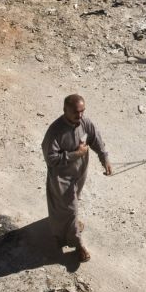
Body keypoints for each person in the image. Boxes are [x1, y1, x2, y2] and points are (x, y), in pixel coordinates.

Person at [42, 94, 111, 262]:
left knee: (68, 207)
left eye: (82, 111)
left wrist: (105, 158)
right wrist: (76, 154)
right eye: (75, 112)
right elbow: (51, 159)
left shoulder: (84, 122)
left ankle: (63, 231)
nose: (79, 116)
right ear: (65, 110)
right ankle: (78, 244)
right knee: (71, 208)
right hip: (62, 178)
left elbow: (95, 139)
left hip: (79, 173)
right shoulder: (55, 131)